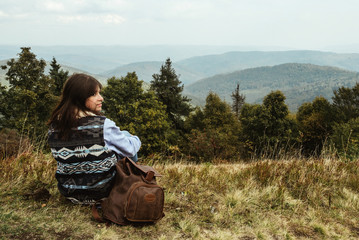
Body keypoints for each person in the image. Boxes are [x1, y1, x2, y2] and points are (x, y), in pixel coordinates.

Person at [48, 73, 141, 204]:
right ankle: (134, 182)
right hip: (104, 192)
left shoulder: (54, 126)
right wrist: (135, 138)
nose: (101, 98)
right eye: (94, 94)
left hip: (69, 193)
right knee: (126, 137)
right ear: (79, 97)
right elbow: (130, 150)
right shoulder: (103, 125)